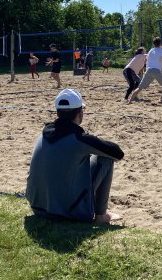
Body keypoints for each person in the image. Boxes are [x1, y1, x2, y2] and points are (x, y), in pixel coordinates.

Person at [26, 88, 124, 223]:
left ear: (57, 113)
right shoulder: (79, 139)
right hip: (69, 213)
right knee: (105, 158)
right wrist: (92, 139)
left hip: (37, 208)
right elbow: (117, 153)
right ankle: (101, 216)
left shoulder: (43, 133)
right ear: (79, 113)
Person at [127, 37, 162, 106]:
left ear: (153, 44)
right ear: (160, 43)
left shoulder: (150, 51)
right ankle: (161, 100)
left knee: (139, 88)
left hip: (148, 71)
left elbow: (147, 60)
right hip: (156, 71)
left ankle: (129, 101)